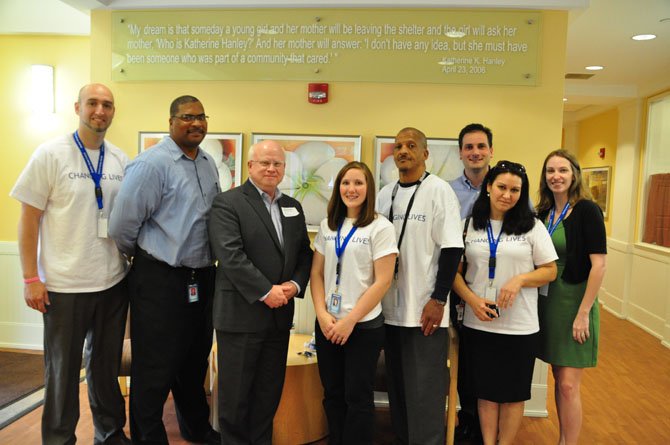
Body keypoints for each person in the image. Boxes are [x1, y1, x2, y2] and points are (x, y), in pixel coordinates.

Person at [10, 84, 130, 445]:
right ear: (77, 107)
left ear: (113, 111)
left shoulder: (119, 159)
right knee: (62, 374)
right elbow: (28, 219)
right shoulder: (51, 154)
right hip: (64, 287)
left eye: (107, 105)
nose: (100, 111)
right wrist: (31, 277)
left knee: (106, 369)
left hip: (112, 282)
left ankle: (110, 434)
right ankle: (59, 439)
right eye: (93, 103)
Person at [108, 95, 220, 445]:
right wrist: (149, 260)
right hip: (160, 280)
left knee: (193, 364)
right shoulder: (151, 164)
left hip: (201, 278)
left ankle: (196, 430)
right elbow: (122, 227)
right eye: (188, 117)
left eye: (201, 117)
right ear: (171, 121)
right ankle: (148, 438)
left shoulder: (208, 162)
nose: (196, 123)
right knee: (154, 369)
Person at [208, 140, 313, 444]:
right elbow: (230, 255)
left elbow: (304, 254)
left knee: (267, 397)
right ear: (250, 166)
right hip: (241, 318)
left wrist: (294, 286)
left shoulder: (292, 206)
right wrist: (266, 291)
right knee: (236, 400)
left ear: (284, 168)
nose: (271, 168)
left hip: (279, 318)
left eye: (277, 163)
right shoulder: (227, 203)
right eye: (264, 162)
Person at [452, 160, 558, 445]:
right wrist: (472, 300)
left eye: (515, 190)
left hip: (519, 327)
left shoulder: (532, 226)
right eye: (501, 187)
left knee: (513, 394)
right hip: (478, 323)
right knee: (485, 393)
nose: (507, 195)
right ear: (488, 187)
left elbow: (550, 270)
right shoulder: (469, 225)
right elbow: (455, 275)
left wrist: (520, 280)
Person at [376, 127, 464, 445]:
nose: (403, 151)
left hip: (424, 309)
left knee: (424, 390)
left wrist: (438, 299)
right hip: (388, 308)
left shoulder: (439, 191)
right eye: (398, 146)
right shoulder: (385, 194)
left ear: (425, 154)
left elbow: (452, 248)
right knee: (397, 388)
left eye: (411, 145)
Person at [310, 161, 398, 444]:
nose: (351, 189)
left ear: (369, 188)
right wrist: (322, 315)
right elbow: (316, 273)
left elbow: (382, 281)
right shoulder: (328, 225)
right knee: (333, 393)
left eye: (358, 183)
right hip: (328, 324)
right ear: (338, 188)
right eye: (346, 183)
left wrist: (349, 321)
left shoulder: (380, 227)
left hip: (362, 326)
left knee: (357, 396)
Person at [536, 149, 607, 445]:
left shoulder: (587, 210)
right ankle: (562, 439)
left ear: (574, 174)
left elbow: (599, 265)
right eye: (551, 170)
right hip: (547, 301)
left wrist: (583, 313)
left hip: (576, 301)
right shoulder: (542, 213)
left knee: (568, 385)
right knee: (557, 375)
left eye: (563, 170)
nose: (556, 176)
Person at [448, 123, 495, 444]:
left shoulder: (508, 187)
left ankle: (487, 427)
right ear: (460, 152)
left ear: (491, 150)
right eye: (469, 147)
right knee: (463, 360)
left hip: (495, 291)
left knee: (490, 362)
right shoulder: (448, 190)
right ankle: (466, 421)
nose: (475, 152)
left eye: (481, 146)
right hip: (459, 288)